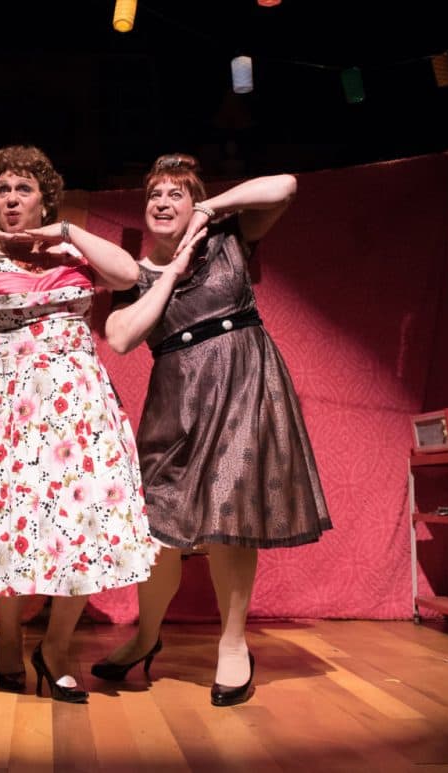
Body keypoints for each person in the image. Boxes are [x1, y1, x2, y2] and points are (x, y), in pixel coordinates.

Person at [94, 153, 332, 707]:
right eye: (154, 195)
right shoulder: (133, 273)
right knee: (157, 529)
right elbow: (121, 338)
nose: (162, 202)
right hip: (176, 400)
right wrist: (167, 274)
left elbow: (286, 183)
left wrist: (211, 208)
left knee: (229, 516)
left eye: (175, 194)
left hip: (242, 384)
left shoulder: (228, 239)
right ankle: (146, 637)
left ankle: (233, 643)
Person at [0, 145, 158, 703]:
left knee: (85, 524)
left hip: (79, 405)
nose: (12, 199)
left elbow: (128, 273)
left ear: (44, 199)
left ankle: (55, 648)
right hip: (10, 409)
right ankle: (9, 634)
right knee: (10, 522)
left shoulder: (71, 252)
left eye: (23, 189)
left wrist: (68, 232)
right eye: (2, 190)